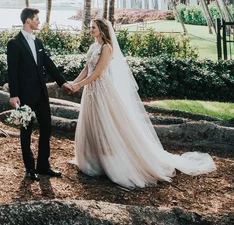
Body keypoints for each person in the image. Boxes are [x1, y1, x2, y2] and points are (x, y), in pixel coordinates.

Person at [64, 18, 216, 189]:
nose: (90, 29)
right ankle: (94, 160)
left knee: (106, 124)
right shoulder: (94, 47)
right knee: (91, 124)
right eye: (90, 27)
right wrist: (72, 82)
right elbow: (87, 69)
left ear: (102, 30)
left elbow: (98, 72)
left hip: (102, 91)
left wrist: (79, 85)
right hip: (90, 91)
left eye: (93, 27)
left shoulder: (107, 48)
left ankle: (111, 162)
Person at [7, 7, 67, 180]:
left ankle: (43, 166)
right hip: (23, 96)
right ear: (28, 20)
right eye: (36, 19)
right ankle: (29, 169)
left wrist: (63, 83)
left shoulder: (38, 42)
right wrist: (13, 95)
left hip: (41, 94)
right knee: (25, 131)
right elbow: (12, 71)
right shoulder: (14, 43)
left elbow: (48, 64)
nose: (38, 22)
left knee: (46, 129)